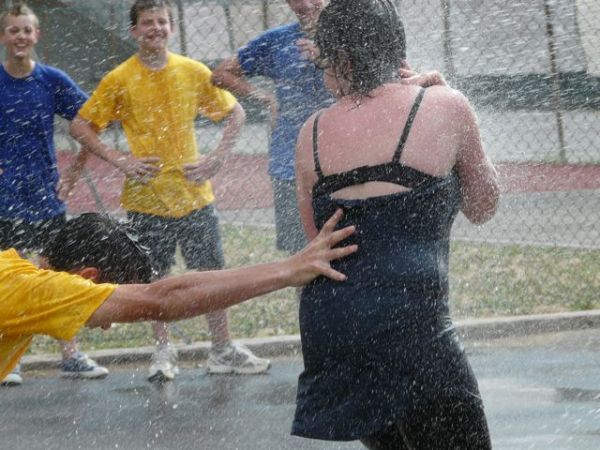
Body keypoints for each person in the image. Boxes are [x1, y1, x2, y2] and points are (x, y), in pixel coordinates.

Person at [292, 1, 500, 448]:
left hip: (337, 331)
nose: (323, 76)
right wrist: (455, 104)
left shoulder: (310, 132)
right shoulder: (445, 105)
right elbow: (484, 206)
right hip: (414, 329)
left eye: (325, 63)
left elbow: (318, 248)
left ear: (344, 60)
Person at [69, 0, 267, 382]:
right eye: (147, 23)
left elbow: (235, 114)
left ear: (171, 28)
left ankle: (221, 349)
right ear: (134, 31)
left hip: (195, 196)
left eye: (162, 22)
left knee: (211, 275)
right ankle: (163, 352)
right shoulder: (119, 78)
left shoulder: (192, 71)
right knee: (155, 280)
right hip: (147, 199)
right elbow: (81, 126)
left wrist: (216, 159)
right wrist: (121, 161)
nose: (155, 29)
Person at [0, 210, 357, 384]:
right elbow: (162, 301)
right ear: (87, 278)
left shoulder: (15, 276)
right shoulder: (35, 291)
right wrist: (289, 270)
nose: (107, 325)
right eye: (109, 296)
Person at [0, 3, 108, 385]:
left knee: (57, 271)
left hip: (46, 195)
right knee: (11, 276)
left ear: (36, 36)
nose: (20, 37)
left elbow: (94, 121)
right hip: (5, 198)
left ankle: (71, 353)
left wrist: (76, 170)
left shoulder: (51, 80)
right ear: (3, 37)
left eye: (27, 30)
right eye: (13, 30)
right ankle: (10, 360)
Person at [211, 0, 333, 255]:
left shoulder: (350, 35)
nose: (306, 4)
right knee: (301, 254)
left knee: (350, 250)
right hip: (291, 165)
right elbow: (221, 74)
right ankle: (305, 296)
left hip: (341, 160)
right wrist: (264, 97)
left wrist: (328, 60)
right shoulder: (277, 40)